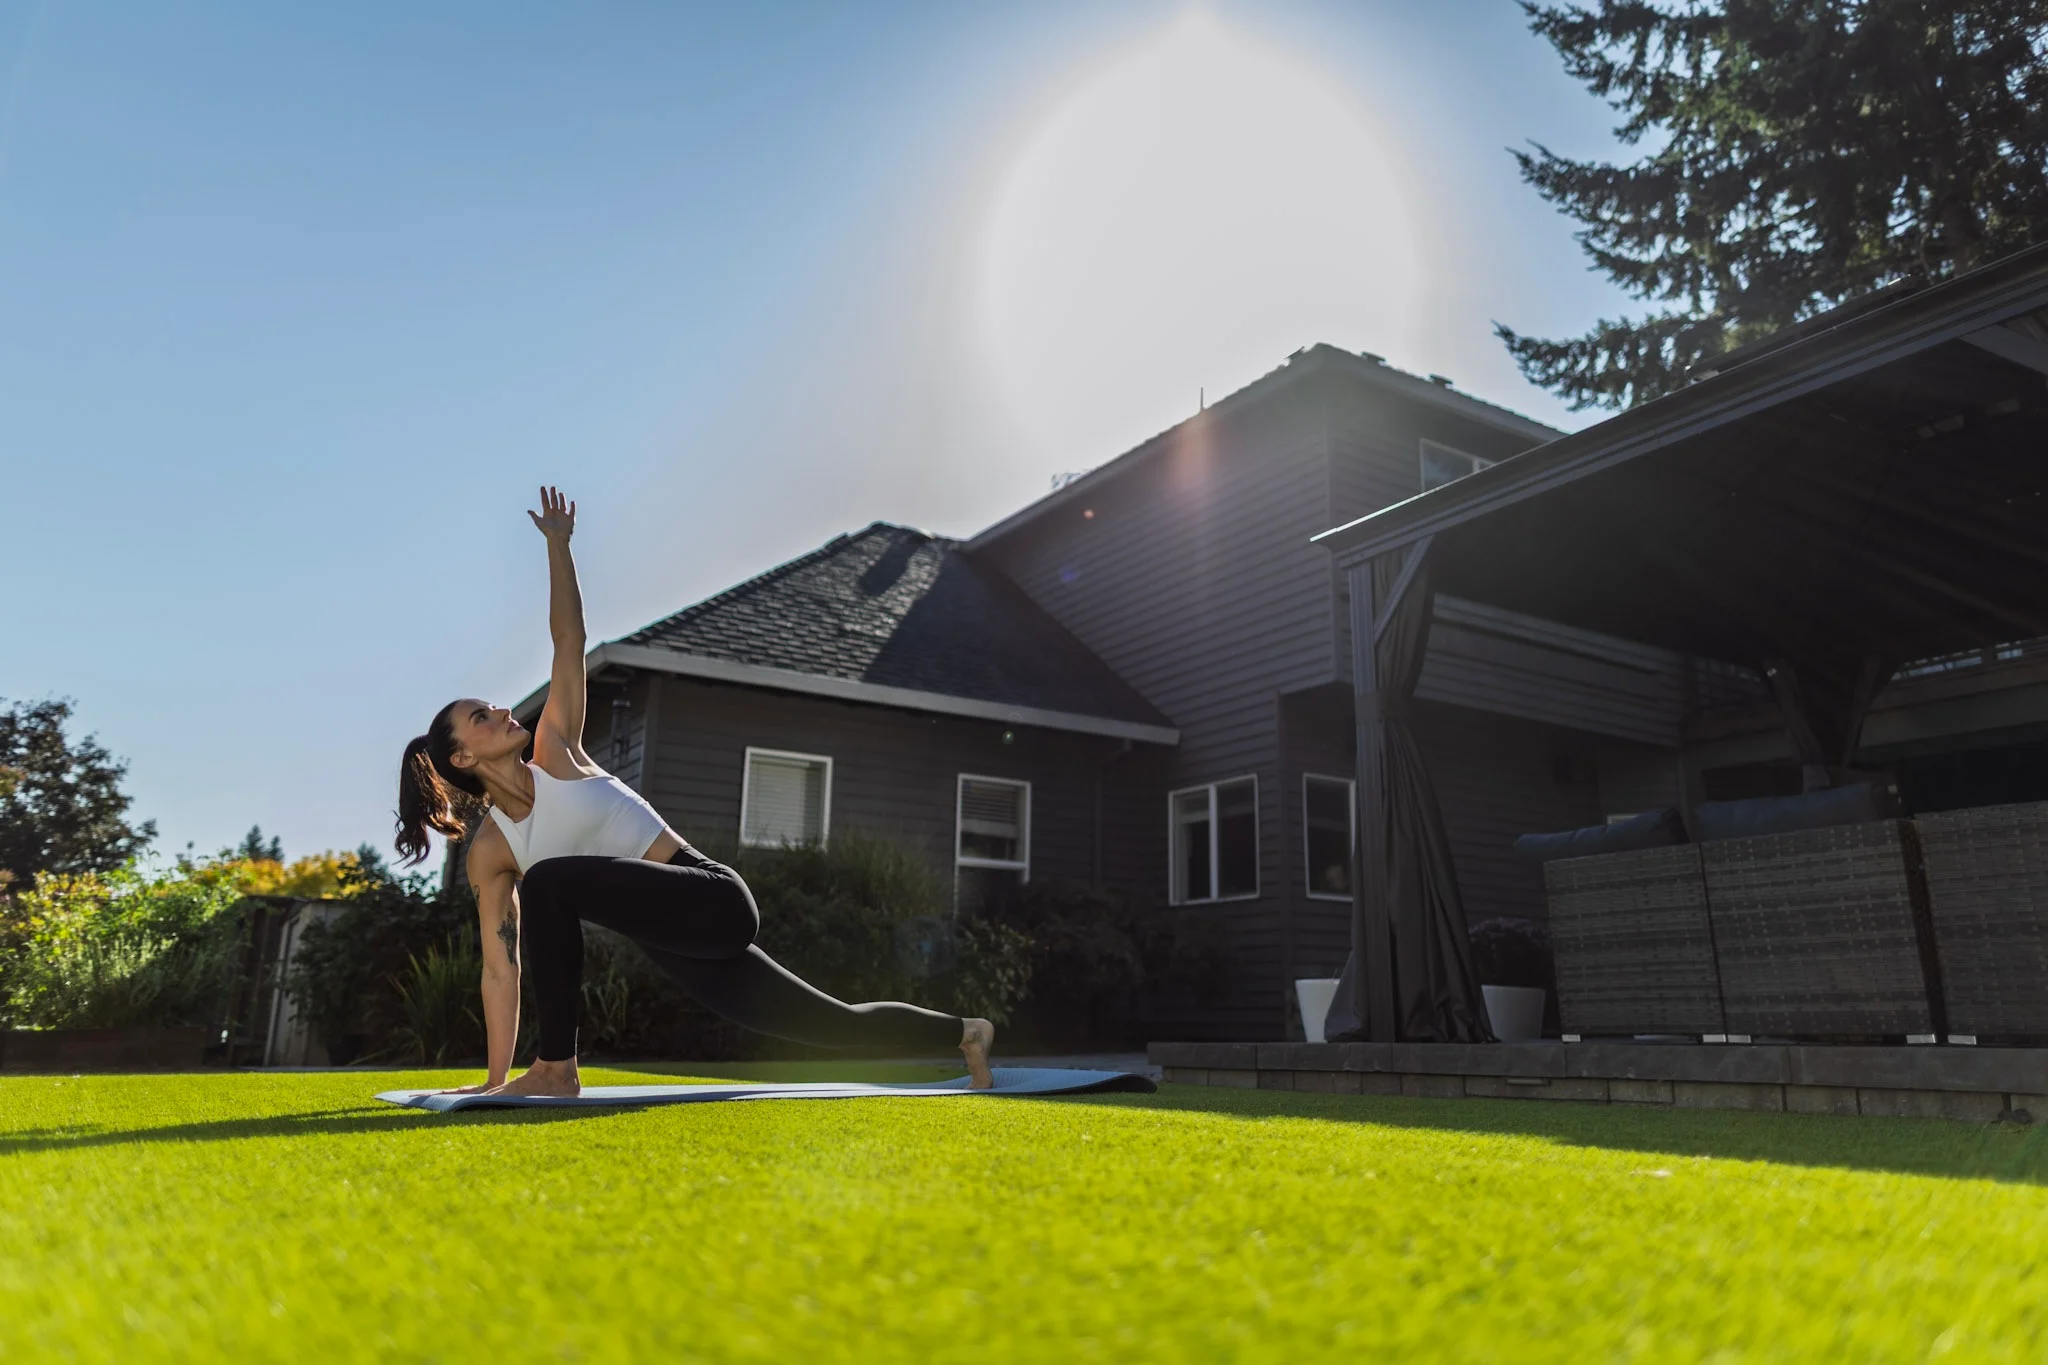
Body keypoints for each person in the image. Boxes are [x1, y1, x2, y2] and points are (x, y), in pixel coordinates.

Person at [393, 486, 995, 1096]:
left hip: (710, 897)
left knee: (550, 881)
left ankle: (556, 1070)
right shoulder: (491, 852)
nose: (500, 712)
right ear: (464, 757)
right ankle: (966, 1033)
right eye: (481, 717)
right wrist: (494, 1084)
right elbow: (502, 967)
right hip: (673, 940)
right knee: (829, 1023)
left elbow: (568, 643)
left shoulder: (557, 750)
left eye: (494, 705)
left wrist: (558, 546)